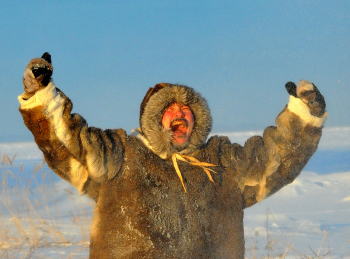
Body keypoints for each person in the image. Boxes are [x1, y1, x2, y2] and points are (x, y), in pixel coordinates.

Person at [19, 53, 327, 259]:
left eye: (186, 108)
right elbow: (67, 145)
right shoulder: (121, 155)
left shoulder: (220, 162)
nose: (178, 111)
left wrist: (303, 117)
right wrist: (42, 95)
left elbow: (273, 162)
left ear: (197, 121)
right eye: (168, 108)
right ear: (152, 121)